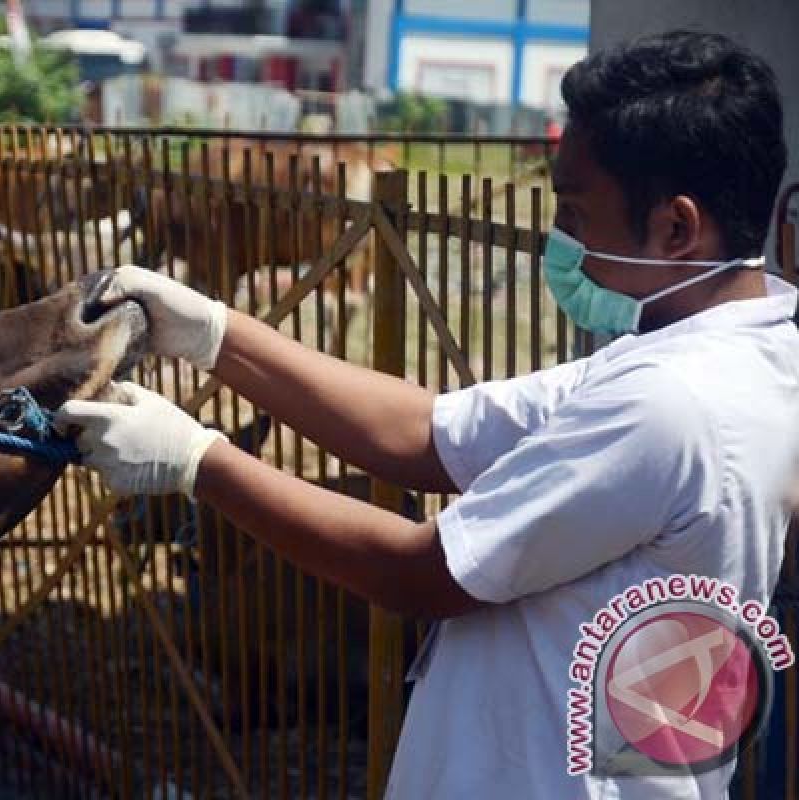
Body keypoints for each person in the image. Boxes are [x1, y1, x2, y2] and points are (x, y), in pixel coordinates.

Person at [56, 31, 797, 799]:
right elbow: (423, 433)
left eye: (576, 214)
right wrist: (214, 332)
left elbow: (422, 571)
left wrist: (196, 460)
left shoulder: (670, 405)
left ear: (677, 228)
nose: (564, 241)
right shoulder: (732, 359)